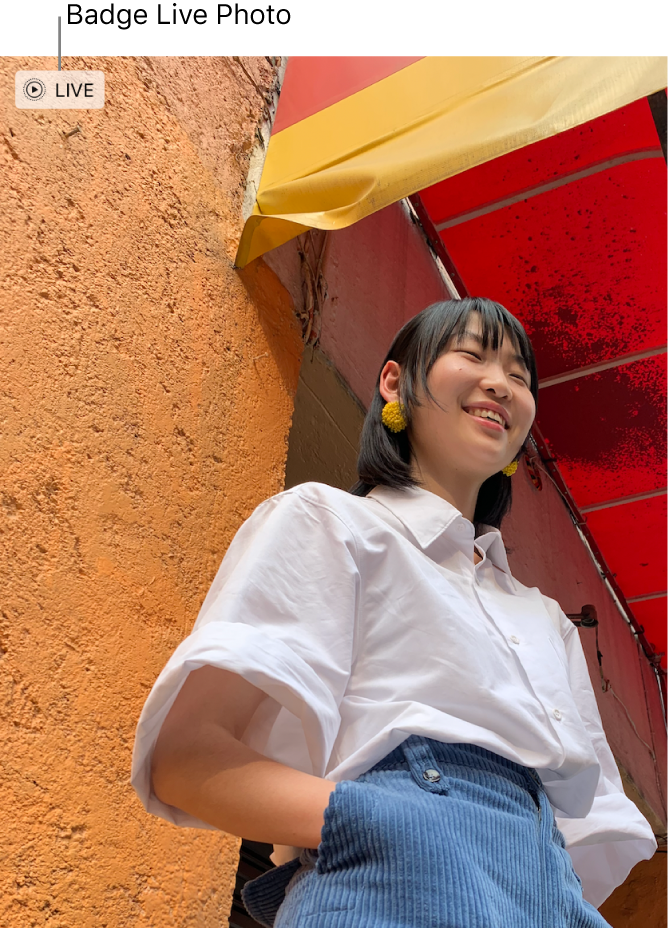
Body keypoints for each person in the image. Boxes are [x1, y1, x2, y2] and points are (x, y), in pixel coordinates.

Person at [131, 298, 656, 928]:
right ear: (394, 383)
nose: (501, 384)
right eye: (472, 354)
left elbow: (589, 833)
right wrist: (383, 821)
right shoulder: (330, 522)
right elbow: (185, 758)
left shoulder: (545, 618)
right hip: (392, 878)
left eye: (520, 377)